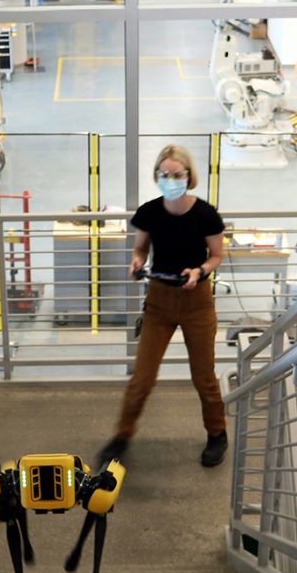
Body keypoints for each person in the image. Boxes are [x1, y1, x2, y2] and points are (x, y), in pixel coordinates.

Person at [97, 145, 228, 468]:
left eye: (177, 174)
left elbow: (216, 256)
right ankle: (122, 435)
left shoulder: (206, 215)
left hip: (196, 302)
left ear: (189, 176)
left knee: (204, 377)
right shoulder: (150, 213)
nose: (171, 180)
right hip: (158, 302)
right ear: (158, 176)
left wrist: (199, 272)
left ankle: (217, 434)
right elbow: (140, 249)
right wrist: (136, 262)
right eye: (164, 174)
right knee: (142, 378)